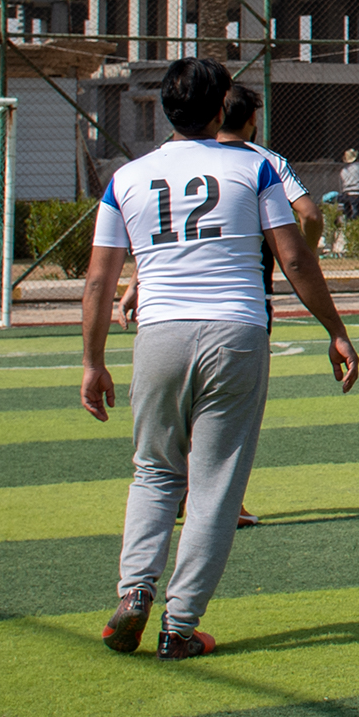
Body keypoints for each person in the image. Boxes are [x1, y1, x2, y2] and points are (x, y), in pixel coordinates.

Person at [84, 57, 359, 661]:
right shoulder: (255, 166)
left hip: (158, 332)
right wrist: (335, 329)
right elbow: (294, 257)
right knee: (214, 485)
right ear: (221, 109)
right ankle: (179, 627)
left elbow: (100, 281)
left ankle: (134, 592)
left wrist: (92, 361)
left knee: (154, 471)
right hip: (236, 331)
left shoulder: (126, 177)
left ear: (165, 109)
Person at [116, 82, 324, 529]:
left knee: (174, 411)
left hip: (165, 310)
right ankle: (220, 499)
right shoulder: (264, 162)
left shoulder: (166, 158)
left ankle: (172, 492)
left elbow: (165, 231)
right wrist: (303, 258)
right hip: (240, 302)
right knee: (223, 404)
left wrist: (136, 282)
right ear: (251, 119)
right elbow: (310, 214)